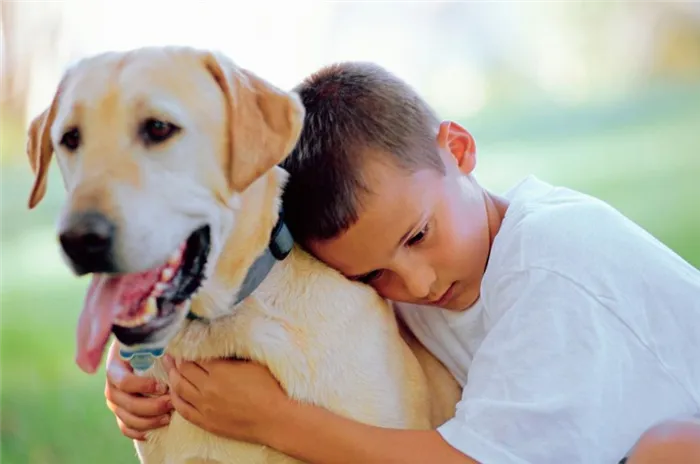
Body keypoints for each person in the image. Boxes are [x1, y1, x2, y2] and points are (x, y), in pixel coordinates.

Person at [103, 61, 700, 463]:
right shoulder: (431, 265)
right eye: (373, 275)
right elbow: (241, 268)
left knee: (672, 451)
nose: (416, 282)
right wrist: (134, 360)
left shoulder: (553, 263)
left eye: (418, 235)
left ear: (458, 149)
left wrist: (274, 421)